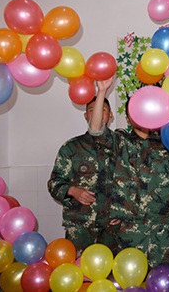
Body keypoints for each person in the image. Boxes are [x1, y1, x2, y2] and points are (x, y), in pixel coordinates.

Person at [89, 78, 169, 267]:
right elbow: (96, 130)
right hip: (129, 224)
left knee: (160, 275)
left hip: (160, 224)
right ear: (128, 118)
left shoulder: (166, 143)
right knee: (131, 275)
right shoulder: (121, 141)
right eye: (135, 112)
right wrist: (101, 92)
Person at [47, 96, 113, 253]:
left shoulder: (122, 146)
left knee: (113, 267)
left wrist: (124, 212)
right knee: (79, 267)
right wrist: (72, 191)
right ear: (86, 116)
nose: (97, 113)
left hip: (113, 228)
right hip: (80, 226)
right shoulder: (71, 148)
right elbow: (54, 183)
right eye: (92, 110)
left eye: (103, 109)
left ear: (110, 115)